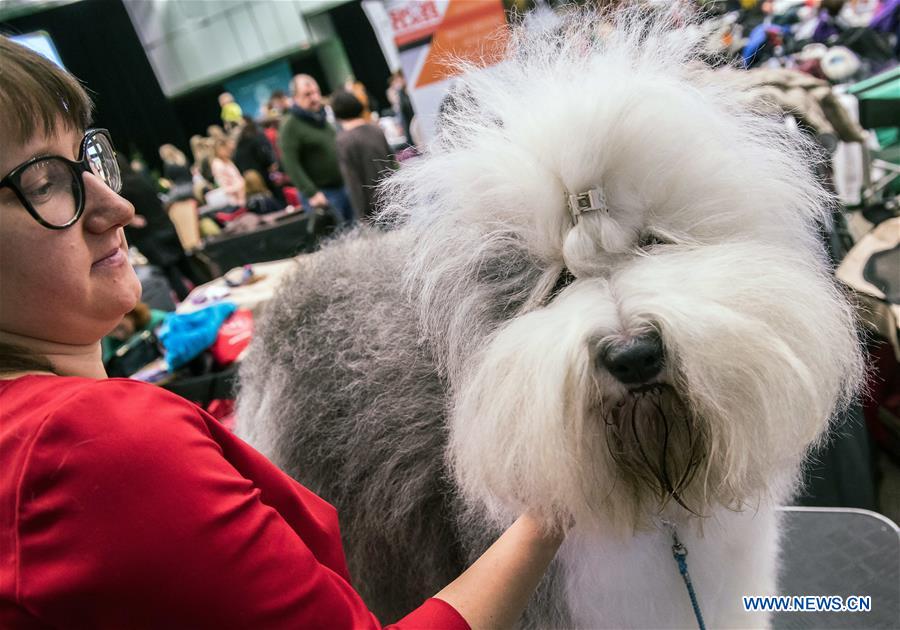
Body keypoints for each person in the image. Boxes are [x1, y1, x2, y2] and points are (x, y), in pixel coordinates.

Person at [0, 35, 565, 628]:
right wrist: (549, 507)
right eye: (43, 183)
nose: (115, 206)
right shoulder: (92, 445)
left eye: (87, 160)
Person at [118, 154, 203, 300]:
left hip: (149, 236)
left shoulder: (121, 189)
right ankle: (210, 295)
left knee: (172, 276)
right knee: (188, 268)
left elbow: (132, 217)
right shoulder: (141, 179)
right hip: (165, 227)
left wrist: (131, 220)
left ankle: (193, 307)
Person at [279, 74, 354, 225]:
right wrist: (311, 193)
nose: (314, 98)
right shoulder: (290, 126)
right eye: (307, 94)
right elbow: (291, 164)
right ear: (294, 98)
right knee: (338, 243)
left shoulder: (321, 118)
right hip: (322, 195)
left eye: (316, 92)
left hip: (343, 187)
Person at [331, 90, 396, 223]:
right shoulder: (376, 130)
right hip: (393, 200)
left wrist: (361, 216)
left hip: (371, 210)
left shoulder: (343, 141)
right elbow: (392, 163)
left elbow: (353, 181)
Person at [210, 137, 246, 208]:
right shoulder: (217, 164)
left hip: (241, 195)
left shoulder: (228, 161)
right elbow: (224, 188)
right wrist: (240, 185)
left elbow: (237, 177)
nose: (228, 150)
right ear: (218, 150)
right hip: (233, 201)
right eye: (225, 148)